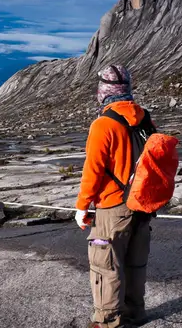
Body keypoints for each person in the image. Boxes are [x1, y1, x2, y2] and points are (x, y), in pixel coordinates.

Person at [75, 65, 156, 328]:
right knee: (135, 264)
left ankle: (107, 321)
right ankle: (136, 313)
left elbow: (93, 170)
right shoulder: (146, 120)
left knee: (105, 266)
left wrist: (82, 206)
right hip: (142, 204)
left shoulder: (103, 124)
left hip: (112, 207)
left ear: (103, 91)